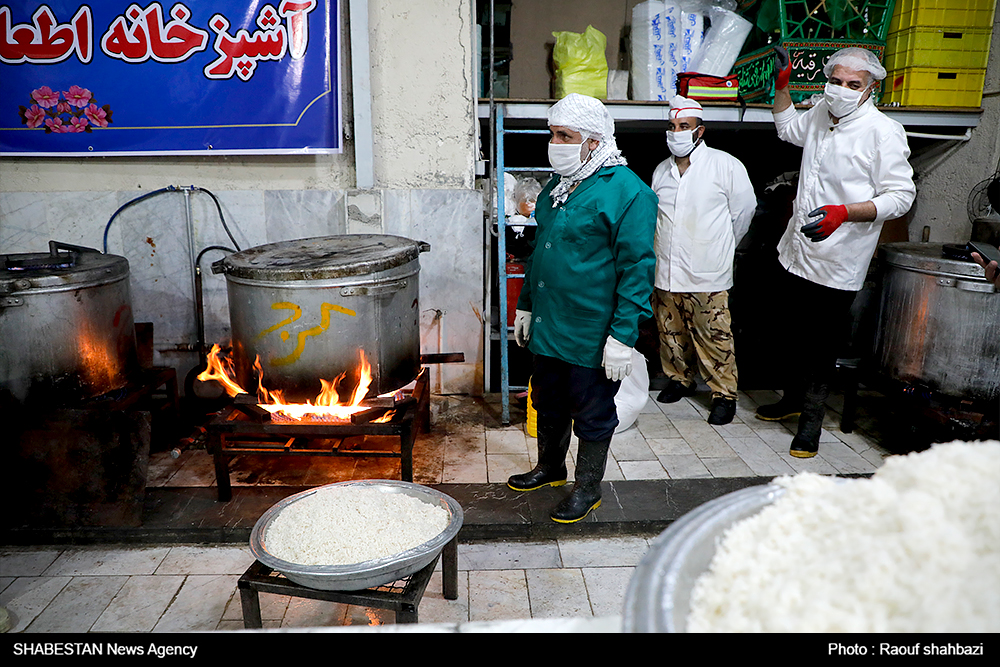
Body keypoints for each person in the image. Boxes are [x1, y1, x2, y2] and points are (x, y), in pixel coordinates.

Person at [755, 46, 916, 458]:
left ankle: (811, 424)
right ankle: (792, 400)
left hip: (839, 256)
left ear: (870, 89)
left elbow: (901, 196)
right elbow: (788, 129)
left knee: (820, 344)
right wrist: (782, 86)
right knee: (791, 332)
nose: (841, 90)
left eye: (852, 85)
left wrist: (845, 212)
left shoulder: (883, 132)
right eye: (836, 81)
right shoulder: (823, 113)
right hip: (797, 247)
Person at [508, 93, 657, 523]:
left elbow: (636, 270)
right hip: (552, 324)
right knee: (547, 399)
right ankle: (550, 467)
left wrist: (622, 337)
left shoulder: (628, 193)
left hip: (593, 330)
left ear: (593, 141)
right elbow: (541, 252)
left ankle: (587, 487)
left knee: (591, 411)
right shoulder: (559, 186)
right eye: (552, 134)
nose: (554, 143)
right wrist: (526, 307)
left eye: (564, 135)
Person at [650, 95, 756, 425]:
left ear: (700, 131)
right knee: (670, 331)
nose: (676, 132)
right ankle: (680, 379)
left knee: (714, 335)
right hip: (666, 269)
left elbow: (744, 213)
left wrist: (721, 247)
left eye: (684, 127)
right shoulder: (661, 171)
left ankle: (723, 394)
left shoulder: (726, 166)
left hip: (708, 273)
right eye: (672, 126)